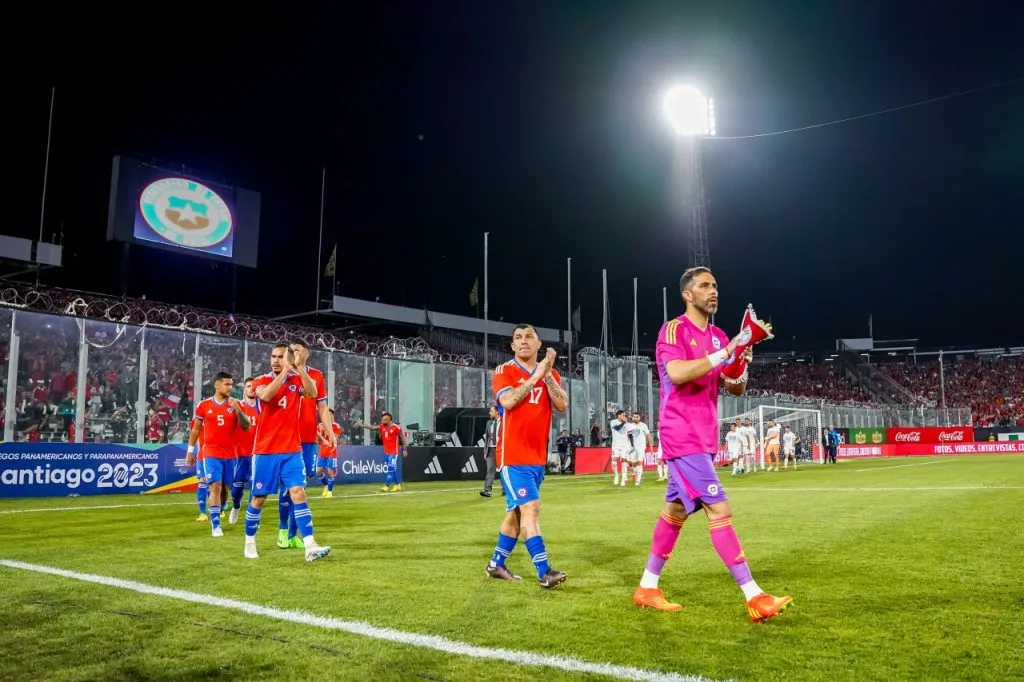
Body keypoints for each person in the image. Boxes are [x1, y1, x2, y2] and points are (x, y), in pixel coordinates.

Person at [633, 266, 792, 622]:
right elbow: (676, 373)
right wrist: (727, 352)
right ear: (688, 295)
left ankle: (647, 587)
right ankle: (755, 596)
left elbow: (734, 388)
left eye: (716, 285)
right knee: (719, 509)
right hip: (681, 433)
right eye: (705, 286)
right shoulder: (673, 329)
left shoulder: (720, 335)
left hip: (704, 437)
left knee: (674, 512)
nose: (713, 291)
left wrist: (741, 362)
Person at [485, 324, 568, 588]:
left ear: (538, 344)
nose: (523, 341)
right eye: (518, 338)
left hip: (536, 458)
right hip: (512, 456)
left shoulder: (550, 373)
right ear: (512, 346)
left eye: (529, 337)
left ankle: (496, 564)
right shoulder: (504, 371)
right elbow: (508, 402)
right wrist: (536, 377)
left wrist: (547, 375)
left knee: (517, 514)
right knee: (531, 508)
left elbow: (562, 405)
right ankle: (544, 571)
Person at [243, 343, 331, 562]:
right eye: (273, 356)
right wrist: (284, 371)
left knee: (298, 492)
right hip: (265, 451)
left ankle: (310, 545)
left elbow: (312, 393)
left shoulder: (295, 381)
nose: (275, 360)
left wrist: (299, 368)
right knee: (259, 498)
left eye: (280, 357)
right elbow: (265, 397)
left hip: (292, 449)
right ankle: (249, 541)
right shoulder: (260, 381)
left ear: (289, 358)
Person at [279, 339, 334, 548]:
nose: (293, 353)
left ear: (306, 354)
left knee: (300, 486)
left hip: (308, 438)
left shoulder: (316, 376)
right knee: (287, 486)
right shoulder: (282, 374)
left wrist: (329, 431)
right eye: (291, 350)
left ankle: (293, 535)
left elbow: (322, 407)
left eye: (297, 350)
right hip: (286, 437)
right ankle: (283, 531)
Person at [185, 373, 251, 537]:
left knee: (225, 490)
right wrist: (190, 451)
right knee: (215, 486)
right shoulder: (204, 405)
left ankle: (219, 510)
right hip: (211, 452)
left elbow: (246, 427)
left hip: (231, 454)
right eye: (227, 384)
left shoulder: (236, 404)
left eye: (231, 384)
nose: (230, 387)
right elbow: (196, 429)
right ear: (217, 385)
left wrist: (238, 411)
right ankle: (216, 525)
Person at [229, 377, 261, 525]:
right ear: (244, 390)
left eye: (254, 386)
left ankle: (250, 514)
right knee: (236, 490)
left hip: (259, 453)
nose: (251, 389)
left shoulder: (263, 407)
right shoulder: (238, 406)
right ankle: (236, 506)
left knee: (256, 487)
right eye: (248, 386)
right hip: (241, 453)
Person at [354, 412, 407, 492]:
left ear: (389, 420)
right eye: (382, 419)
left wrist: (404, 449)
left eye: (384, 420)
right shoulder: (382, 426)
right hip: (387, 452)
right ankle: (397, 485)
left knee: (390, 467)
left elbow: (403, 439)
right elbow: (372, 427)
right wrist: (362, 425)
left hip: (394, 452)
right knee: (393, 469)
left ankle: (387, 486)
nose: (382, 421)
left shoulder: (397, 427)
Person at [316, 408, 342, 497]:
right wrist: (322, 431)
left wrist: (327, 430)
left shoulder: (336, 426)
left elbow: (336, 440)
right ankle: (326, 486)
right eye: (327, 415)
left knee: (330, 472)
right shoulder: (320, 426)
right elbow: (318, 441)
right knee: (318, 472)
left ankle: (330, 492)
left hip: (332, 452)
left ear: (333, 416)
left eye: (330, 415)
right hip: (322, 452)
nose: (329, 416)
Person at [188, 417, 208, 522]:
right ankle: (202, 513)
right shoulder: (197, 419)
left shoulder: (218, 414)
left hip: (217, 455)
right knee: (202, 481)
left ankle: (220, 509)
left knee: (216, 483)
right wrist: (191, 451)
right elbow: (194, 433)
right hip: (202, 455)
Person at [480, 405, 501, 498]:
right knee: (490, 470)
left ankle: (506, 490)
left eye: (491, 411)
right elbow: (487, 438)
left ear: (497, 412)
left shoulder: (504, 422)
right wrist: (485, 451)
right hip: (490, 449)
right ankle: (487, 490)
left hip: (501, 449)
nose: (489, 413)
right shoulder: (489, 423)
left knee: (503, 470)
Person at [629, 413, 653, 486]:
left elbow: (648, 436)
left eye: (637, 417)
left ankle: (638, 480)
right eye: (634, 417)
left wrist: (651, 446)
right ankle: (636, 476)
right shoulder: (630, 426)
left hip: (641, 447)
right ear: (632, 418)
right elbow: (628, 436)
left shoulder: (643, 425)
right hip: (632, 447)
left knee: (640, 462)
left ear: (639, 418)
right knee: (633, 464)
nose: (635, 418)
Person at [609, 409, 631, 487]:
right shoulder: (613, 422)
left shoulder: (628, 424)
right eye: (623, 415)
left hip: (625, 446)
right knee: (614, 462)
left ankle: (623, 478)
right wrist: (623, 422)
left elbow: (630, 435)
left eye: (625, 415)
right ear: (619, 415)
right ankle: (616, 475)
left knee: (624, 463)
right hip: (616, 445)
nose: (624, 416)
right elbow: (617, 428)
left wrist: (632, 446)